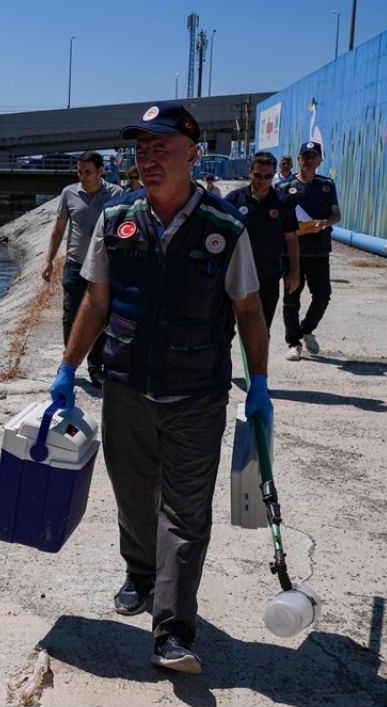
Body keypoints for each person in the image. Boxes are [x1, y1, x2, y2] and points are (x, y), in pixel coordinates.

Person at [49, 101, 272, 674]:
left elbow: (248, 312)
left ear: (193, 156)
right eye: (141, 150)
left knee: (186, 511)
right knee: (131, 493)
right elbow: (96, 301)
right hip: (125, 386)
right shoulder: (116, 218)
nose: (147, 160)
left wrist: (261, 385)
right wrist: (68, 367)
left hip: (197, 394)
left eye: (160, 149)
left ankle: (172, 629)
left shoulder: (225, 228)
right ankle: (141, 573)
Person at [41, 150, 127, 388]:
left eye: (88, 172)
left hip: (104, 267)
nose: (83, 177)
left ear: (101, 171)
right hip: (75, 264)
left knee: (102, 317)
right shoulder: (69, 193)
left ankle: (95, 367)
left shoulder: (117, 194)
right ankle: (69, 364)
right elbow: (59, 230)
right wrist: (48, 261)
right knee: (70, 315)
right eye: (79, 172)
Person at [278, 141, 342, 360]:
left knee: (323, 296)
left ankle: (306, 329)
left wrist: (324, 223)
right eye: (305, 156)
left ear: (320, 160)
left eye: (313, 156)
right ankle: (293, 343)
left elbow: (336, 214)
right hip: (291, 252)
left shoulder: (327, 185)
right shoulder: (285, 187)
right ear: (298, 159)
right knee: (291, 299)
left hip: (318, 251)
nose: (308, 160)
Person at [225, 152, 301, 331]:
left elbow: (291, 239)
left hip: (267, 276)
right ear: (249, 172)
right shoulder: (233, 200)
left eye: (267, 176)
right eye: (258, 175)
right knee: (225, 329)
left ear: (273, 175)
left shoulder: (282, 202)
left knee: (261, 331)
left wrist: (294, 273)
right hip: (236, 275)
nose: (262, 180)